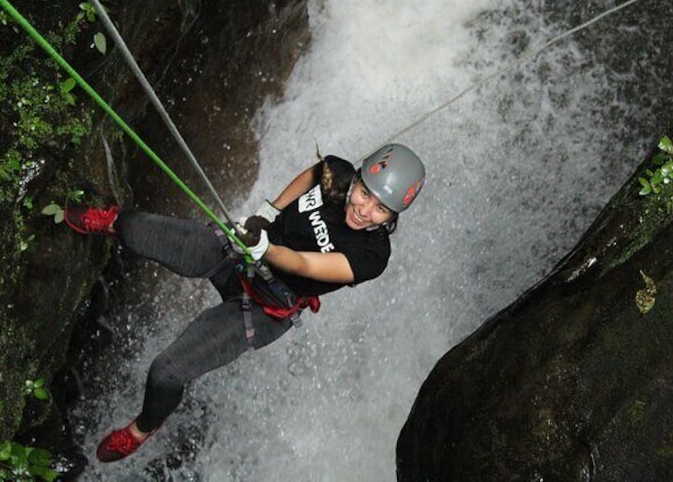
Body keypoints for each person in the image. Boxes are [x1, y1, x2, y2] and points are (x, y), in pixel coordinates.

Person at [65, 143, 426, 463]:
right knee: (137, 229)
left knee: (166, 371)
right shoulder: (339, 178)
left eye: (381, 210)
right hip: (240, 253)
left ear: (393, 218)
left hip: (265, 307)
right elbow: (314, 173)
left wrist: (266, 250)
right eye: (365, 193)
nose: (365, 210)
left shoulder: (372, 255)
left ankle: (142, 430)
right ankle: (112, 222)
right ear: (359, 178)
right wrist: (270, 210)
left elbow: (307, 264)